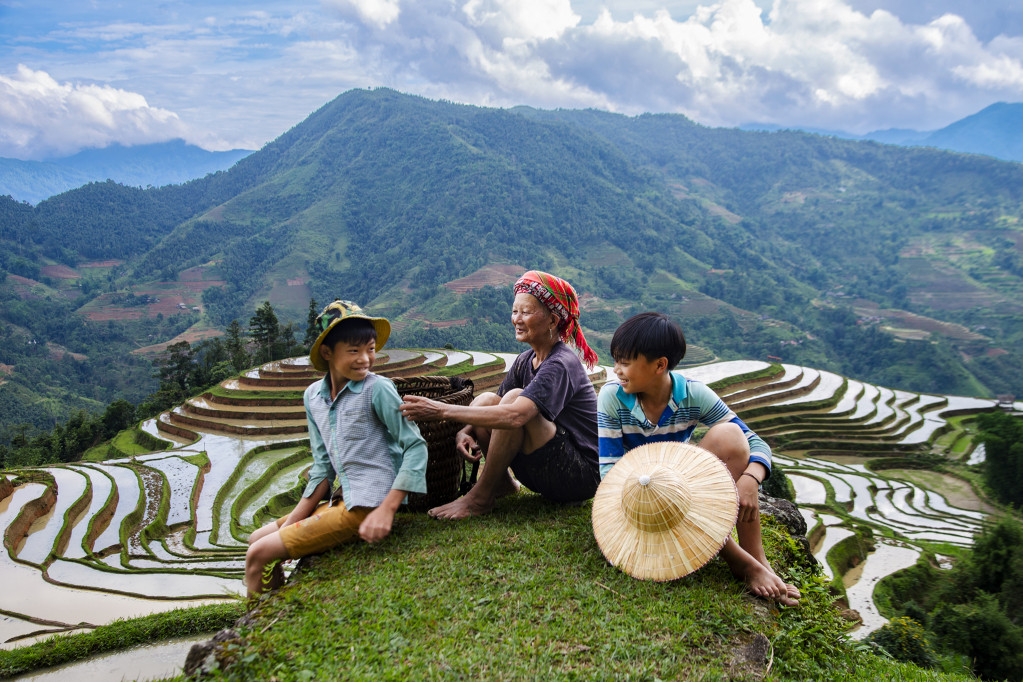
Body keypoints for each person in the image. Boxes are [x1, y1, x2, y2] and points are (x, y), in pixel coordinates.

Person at [597, 312, 800, 606]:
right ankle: (741, 562)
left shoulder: (693, 394)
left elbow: (754, 441)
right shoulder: (612, 397)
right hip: (634, 497)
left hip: (681, 485)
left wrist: (750, 479)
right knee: (657, 489)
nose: (616, 370)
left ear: (660, 365)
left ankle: (756, 557)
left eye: (625, 362)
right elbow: (609, 473)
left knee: (731, 436)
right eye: (615, 360)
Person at [245, 300, 427, 599]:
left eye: (370, 349)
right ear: (328, 352)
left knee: (258, 554)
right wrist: (292, 522)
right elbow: (322, 469)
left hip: (368, 504)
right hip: (344, 500)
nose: (365, 359)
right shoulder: (313, 397)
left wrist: (387, 509)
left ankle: (256, 631)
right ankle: (274, 607)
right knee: (257, 538)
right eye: (354, 351)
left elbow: (415, 446)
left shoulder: (377, 389)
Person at [400, 271, 600, 519]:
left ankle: (480, 497)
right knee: (486, 400)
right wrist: (464, 430)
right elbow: (492, 407)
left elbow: (514, 416)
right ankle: (503, 484)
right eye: (515, 311)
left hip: (578, 476)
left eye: (526, 312)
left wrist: (439, 409)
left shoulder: (560, 363)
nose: (517, 319)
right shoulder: (525, 360)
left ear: (552, 320)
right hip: (547, 463)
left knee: (515, 400)